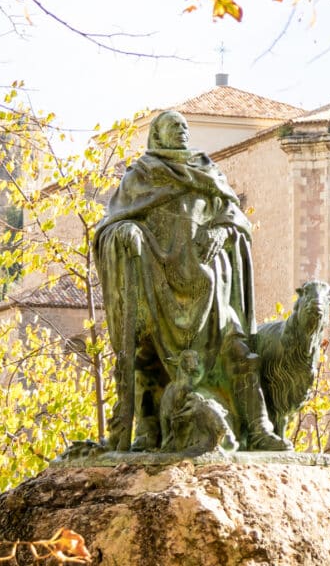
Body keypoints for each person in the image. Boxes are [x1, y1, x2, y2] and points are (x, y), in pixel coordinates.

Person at [94, 110, 289, 452]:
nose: (182, 131)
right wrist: (127, 231)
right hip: (157, 280)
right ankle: (148, 431)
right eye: (174, 126)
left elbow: (236, 220)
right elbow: (110, 226)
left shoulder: (207, 172)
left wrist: (222, 230)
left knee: (238, 350)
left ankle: (258, 429)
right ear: (157, 135)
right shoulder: (140, 177)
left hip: (210, 283)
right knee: (146, 354)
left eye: (185, 126)